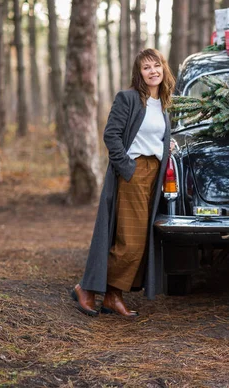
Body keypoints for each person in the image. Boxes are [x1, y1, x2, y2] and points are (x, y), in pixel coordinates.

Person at [71, 48, 176, 317]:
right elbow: (111, 136)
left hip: (154, 174)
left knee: (140, 239)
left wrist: (167, 145)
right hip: (135, 172)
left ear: (163, 69)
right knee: (130, 241)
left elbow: (152, 137)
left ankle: (112, 296)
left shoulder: (163, 103)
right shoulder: (128, 98)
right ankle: (87, 288)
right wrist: (127, 168)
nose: (153, 71)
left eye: (156, 65)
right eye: (146, 67)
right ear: (138, 73)